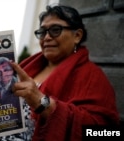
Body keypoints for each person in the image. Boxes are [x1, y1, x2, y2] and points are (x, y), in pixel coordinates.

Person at [7, 4, 120, 141]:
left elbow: (106, 132)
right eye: (42, 32)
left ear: (77, 36)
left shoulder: (94, 78)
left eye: (55, 30)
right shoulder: (25, 67)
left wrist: (44, 104)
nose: (47, 37)